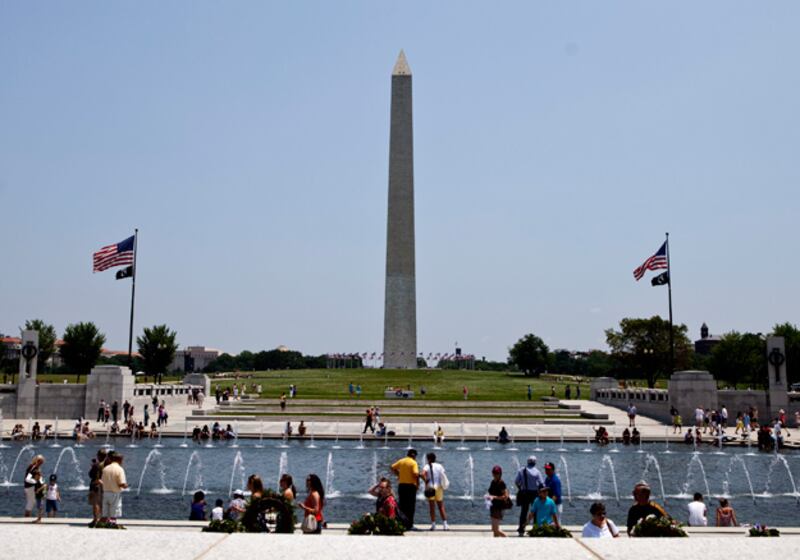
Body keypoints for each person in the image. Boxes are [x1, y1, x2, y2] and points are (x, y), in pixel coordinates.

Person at [514, 455, 544, 536]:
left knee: (524, 512)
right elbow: (541, 484)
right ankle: (535, 529)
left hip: (525, 493)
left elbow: (516, 481)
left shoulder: (521, 470)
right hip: (534, 493)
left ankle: (521, 529)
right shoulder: (537, 472)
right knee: (535, 512)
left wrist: (520, 488)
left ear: (527, 462)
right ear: (535, 462)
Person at [391, 449, 420, 529]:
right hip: (410, 486)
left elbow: (392, 467)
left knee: (402, 505)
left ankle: (401, 523)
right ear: (414, 455)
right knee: (410, 506)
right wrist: (418, 484)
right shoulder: (413, 463)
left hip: (402, 485)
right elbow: (415, 474)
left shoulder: (402, 461)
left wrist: (398, 475)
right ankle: (410, 525)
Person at [421, 453, 449, 531]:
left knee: (432, 507)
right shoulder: (439, 466)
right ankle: (445, 524)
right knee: (441, 506)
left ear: (429, 459)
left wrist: (426, 481)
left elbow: (422, 474)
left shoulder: (427, 466)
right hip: (439, 487)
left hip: (430, 487)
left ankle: (433, 525)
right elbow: (442, 475)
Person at [101, 452, 128, 521]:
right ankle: (112, 523)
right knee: (114, 510)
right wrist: (125, 486)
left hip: (105, 492)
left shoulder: (105, 468)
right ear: (120, 460)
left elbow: (102, 480)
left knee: (105, 510)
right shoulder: (119, 469)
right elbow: (121, 483)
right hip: (114, 493)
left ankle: (104, 522)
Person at [487, 465, 509, 537]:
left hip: (499, 507)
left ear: (500, 474)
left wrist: (494, 497)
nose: (495, 475)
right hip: (493, 506)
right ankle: (496, 543)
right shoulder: (493, 482)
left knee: (495, 529)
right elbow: (491, 493)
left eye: (497, 473)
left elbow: (505, 496)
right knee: (495, 530)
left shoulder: (501, 483)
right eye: (494, 473)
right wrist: (488, 496)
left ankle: (507, 538)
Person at [88, 449, 107, 524]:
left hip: (95, 485)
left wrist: (92, 467)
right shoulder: (107, 464)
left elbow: (91, 475)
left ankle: (96, 519)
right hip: (104, 485)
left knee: (95, 503)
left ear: (99, 456)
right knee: (102, 503)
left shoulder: (96, 465)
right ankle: (102, 519)